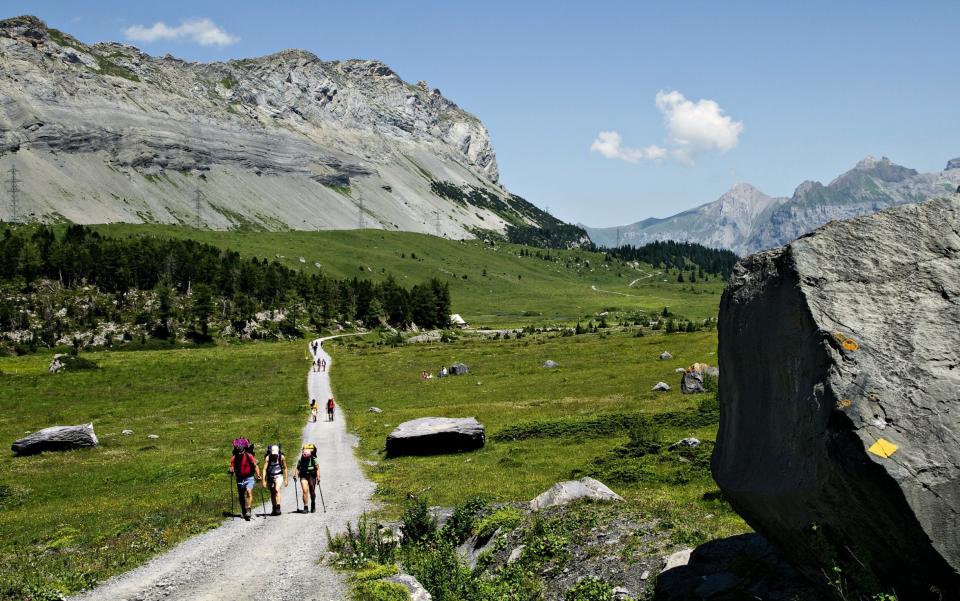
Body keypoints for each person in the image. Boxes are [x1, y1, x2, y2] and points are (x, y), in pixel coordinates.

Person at [229, 438, 259, 521]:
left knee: (249, 491)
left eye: (241, 452)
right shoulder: (234, 458)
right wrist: (231, 470)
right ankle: (243, 510)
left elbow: (255, 465)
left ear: (243, 451)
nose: (240, 454)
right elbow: (231, 467)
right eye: (238, 453)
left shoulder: (249, 456)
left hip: (249, 477)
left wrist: (258, 475)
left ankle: (248, 509)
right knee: (241, 496)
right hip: (239, 478)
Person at [261, 444, 288, 515]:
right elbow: (264, 469)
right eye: (273, 454)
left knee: (277, 489)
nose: (274, 455)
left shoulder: (281, 457)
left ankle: (278, 507)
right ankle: (274, 508)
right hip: (270, 476)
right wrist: (263, 481)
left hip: (279, 475)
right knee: (272, 492)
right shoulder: (268, 458)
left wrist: (286, 479)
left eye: (276, 454)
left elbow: (285, 468)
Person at [293, 443, 319, 513]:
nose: (306, 458)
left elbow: (317, 468)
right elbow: (297, 468)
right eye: (305, 457)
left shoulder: (313, 459)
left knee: (312, 491)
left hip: (312, 475)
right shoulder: (301, 459)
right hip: (303, 475)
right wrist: (295, 475)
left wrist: (318, 477)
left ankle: (313, 503)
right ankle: (306, 507)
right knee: (305, 491)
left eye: (308, 457)